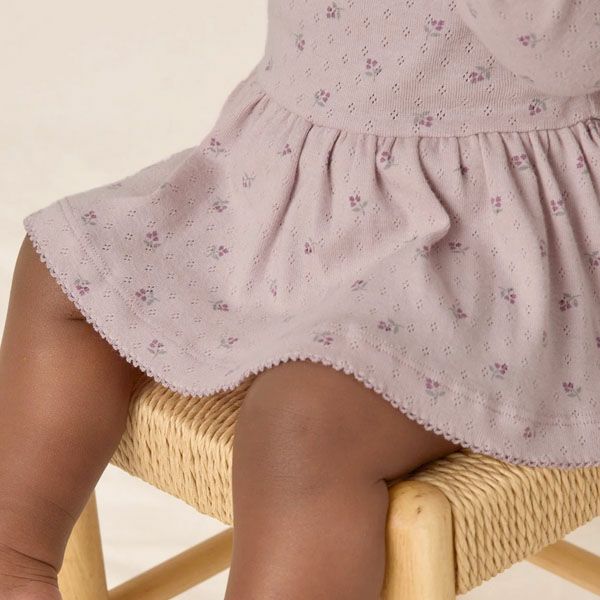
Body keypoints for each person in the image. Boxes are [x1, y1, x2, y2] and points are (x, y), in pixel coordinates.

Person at [3, 1, 600, 598]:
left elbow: (565, 51)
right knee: (61, 268)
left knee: (304, 428)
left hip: (488, 242)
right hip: (284, 189)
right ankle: (15, 566)